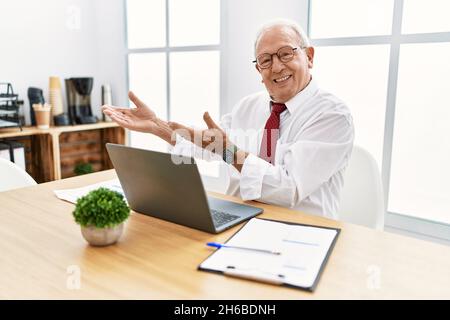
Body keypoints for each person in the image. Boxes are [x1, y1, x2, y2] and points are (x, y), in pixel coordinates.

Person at [102, 19, 354, 220]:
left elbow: (289, 189)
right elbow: (211, 147)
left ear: (309, 56)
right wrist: (157, 127)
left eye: (286, 54)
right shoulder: (249, 106)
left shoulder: (331, 115)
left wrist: (230, 152)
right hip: (238, 221)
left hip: (300, 231)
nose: (276, 67)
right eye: (266, 60)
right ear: (259, 70)